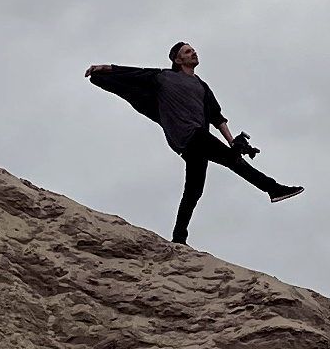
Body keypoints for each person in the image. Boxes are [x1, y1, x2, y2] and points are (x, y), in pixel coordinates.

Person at [86, 43, 303, 245]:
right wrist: (105, 68)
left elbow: (217, 117)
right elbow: (133, 72)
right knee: (232, 161)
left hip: (197, 140)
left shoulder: (202, 86)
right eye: (188, 52)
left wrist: (234, 141)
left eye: (193, 50)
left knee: (194, 191)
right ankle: (273, 189)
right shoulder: (163, 77)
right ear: (178, 60)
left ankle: (179, 237)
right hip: (189, 136)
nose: (193, 53)